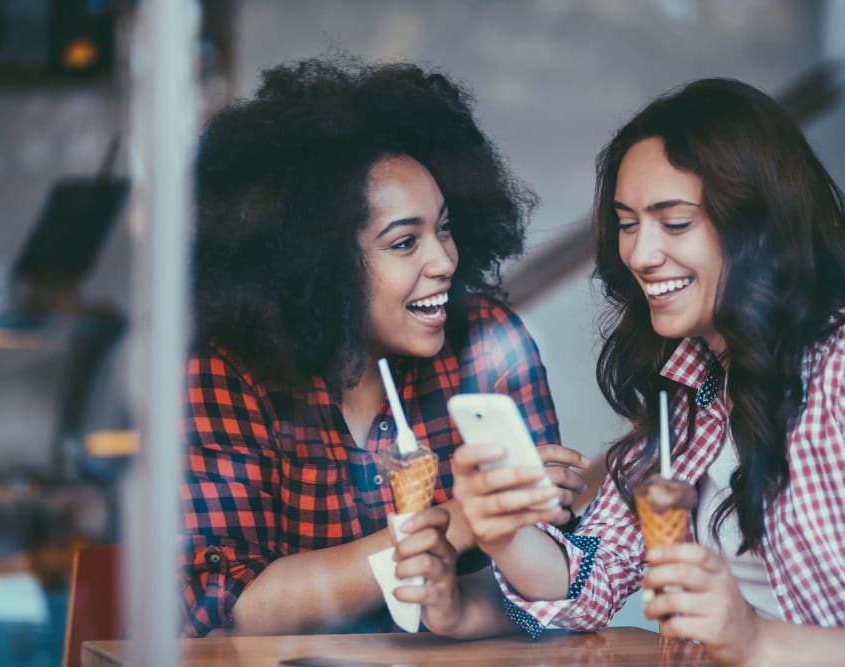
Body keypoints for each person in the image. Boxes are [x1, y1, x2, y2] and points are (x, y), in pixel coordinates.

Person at [405, 78, 845, 666]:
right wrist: (503, 531)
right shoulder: (693, 385)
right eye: (628, 224)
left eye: (674, 223)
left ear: (760, 225)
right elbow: (593, 578)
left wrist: (756, 641)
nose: (641, 255)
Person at [179, 55, 589, 637]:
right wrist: (462, 522)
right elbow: (237, 603)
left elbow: (550, 592)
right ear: (318, 262)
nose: (444, 260)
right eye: (404, 243)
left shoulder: (488, 346)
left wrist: (532, 519)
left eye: (444, 228)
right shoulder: (230, 371)